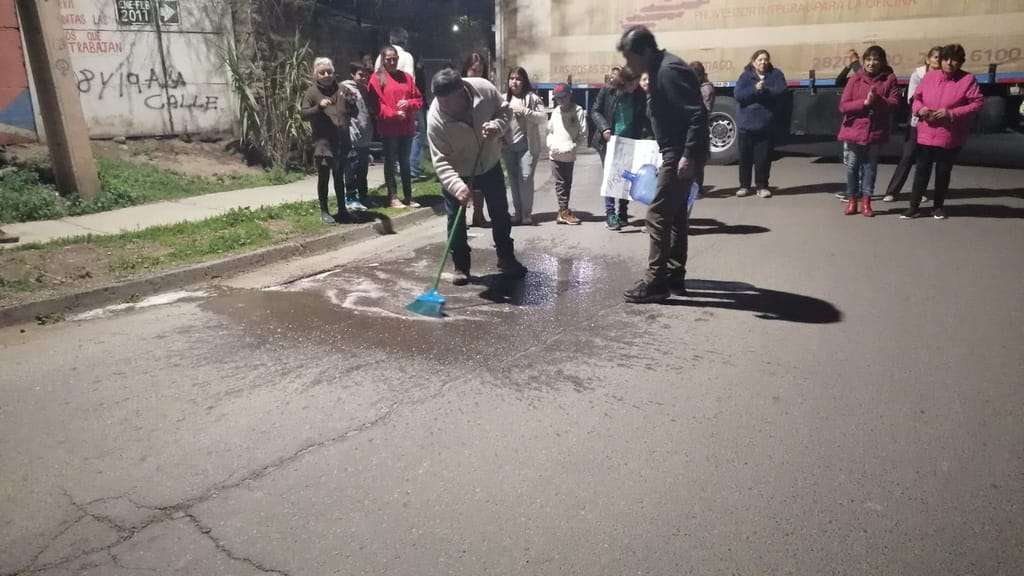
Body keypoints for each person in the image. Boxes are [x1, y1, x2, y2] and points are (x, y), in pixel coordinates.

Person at [617, 25, 708, 303]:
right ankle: (674, 276)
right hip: (675, 151)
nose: (628, 63)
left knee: (656, 215)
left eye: (630, 57)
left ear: (645, 51)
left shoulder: (668, 71)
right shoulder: (658, 70)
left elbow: (697, 115)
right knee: (676, 214)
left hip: (680, 154)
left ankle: (656, 281)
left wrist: (687, 156)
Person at [427, 68, 527, 285]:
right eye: (440, 101)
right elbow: (440, 160)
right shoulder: (436, 118)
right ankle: (461, 265)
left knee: (500, 213)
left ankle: (506, 258)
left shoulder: (484, 89)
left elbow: (505, 111)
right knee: (456, 220)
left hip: (489, 163)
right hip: (457, 171)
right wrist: (456, 186)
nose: (443, 107)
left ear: (461, 91)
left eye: (448, 102)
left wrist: (497, 127)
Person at [902, 44, 984, 220]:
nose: (949, 63)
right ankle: (913, 207)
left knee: (943, 172)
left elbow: (977, 103)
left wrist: (952, 113)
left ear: (961, 62)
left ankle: (938, 207)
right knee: (921, 171)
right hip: (926, 132)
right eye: (946, 59)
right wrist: (920, 109)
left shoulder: (968, 80)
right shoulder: (930, 76)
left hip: (949, 135)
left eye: (954, 60)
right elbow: (916, 98)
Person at [836, 45, 900, 217]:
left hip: (875, 129)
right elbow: (843, 106)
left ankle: (866, 202)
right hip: (854, 129)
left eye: (876, 59)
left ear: (882, 62)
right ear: (863, 61)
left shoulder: (890, 79)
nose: (872, 63)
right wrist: (864, 103)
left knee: (870, 167)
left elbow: (894, 103)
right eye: (868, 60)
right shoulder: (855, 79)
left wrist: (877, 100)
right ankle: (852, 200)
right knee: (852, 165)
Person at [590, 66, 647, 230]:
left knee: (627, 177)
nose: (634, 87)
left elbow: (644, 117)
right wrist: (604, 128)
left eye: (637, 83)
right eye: (632, 84)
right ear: (623, 82)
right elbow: (595, 111)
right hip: (609, 140)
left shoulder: (639, 94)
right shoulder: (609, 90)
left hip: (630, 140)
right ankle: (610, 214)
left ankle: (623, 211)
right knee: (611, 176)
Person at [300, 56, 356, 224]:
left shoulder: (342, 89)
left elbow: (354, 113)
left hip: (341, 141)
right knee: (324, 177)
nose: (326, 75)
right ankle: (324, 211)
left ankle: (342, 210)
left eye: (329, 72)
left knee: (339, 177)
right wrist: (319, 107)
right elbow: (304, 114)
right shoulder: (312, 92)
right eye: (322, 73)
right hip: (323, 143)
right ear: (316, 75)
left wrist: (352, 103)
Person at [883, 46, 942, 203]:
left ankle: (919, 192)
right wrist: (923, 110)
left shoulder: (945, 76)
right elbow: (912, 98)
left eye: (941, 58)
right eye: (935, 57)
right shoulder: (918, 75)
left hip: (934, 122)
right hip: (917, 120)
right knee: (908, 155)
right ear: (928, 59)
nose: (938, 61)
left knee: (925, 159)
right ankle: (892, 192)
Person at [369, 45, 424, 208]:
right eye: (389, 59)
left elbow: (419, 100)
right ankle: (393, 196)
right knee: (391, 161)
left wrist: (409, 103)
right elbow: (376, 105)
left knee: (405, 162)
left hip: (406, 127)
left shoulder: (406, 77)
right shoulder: (377, 79)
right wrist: (393, 114)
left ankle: (408, 196)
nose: (392, 62)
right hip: (389, 128)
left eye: (395, 59)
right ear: (383, 60)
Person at [734, 49, 787, 198]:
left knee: (763, 158)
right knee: (745, 158)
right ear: (753, 62)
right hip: (746, 124)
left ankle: (762, 186)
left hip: (765, 123)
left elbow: (782, 90)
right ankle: (744, 186)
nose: (763, 62)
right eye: (760, 60)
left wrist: (765, 90)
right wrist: (755, 89)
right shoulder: (745, 76)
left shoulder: (776, 75)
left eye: (765, 59)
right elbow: (738, 95)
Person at [502, 66, 546, 225]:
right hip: (507, 146)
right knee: (513, 180)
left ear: (524, 81)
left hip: (527, 146)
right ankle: (518, 212)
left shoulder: (532, 98)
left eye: (518, 79)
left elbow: (542, 117)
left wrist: (525, 111)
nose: (514, 82)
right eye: (512, 78)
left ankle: (527, 213)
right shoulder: (503, 99)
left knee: (525, 178)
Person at [546, 83, 588, 226]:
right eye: (558, 98)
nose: (561, 101)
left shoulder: (578, 111)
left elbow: (583, 133)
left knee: (567, 183)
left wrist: (573, 145)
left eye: (563, 97)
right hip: (555, 153)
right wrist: (551, 145)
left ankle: (563, 211)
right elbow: (549, 131)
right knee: (560, 183)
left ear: (570, 95)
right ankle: (563, 211)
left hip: (569, 153)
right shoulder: (555, 112)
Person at [462, 52, 492, 226]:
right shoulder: (460, 87)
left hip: (481, 138)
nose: (477, 75)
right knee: (464, 180)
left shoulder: (487, 88)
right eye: (474, 70)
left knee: (479, 180)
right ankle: (461, 217)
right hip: (464, 139)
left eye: (481, 71)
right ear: (467, 69)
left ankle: (478, 214)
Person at [342, 62, 373, 210]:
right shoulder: (345, 89)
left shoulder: (365, 90)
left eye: (366, 75)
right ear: (352, 75)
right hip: (353, 135)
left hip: (365, 136)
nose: (364, 78)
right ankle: (350, 197)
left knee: (363, 168)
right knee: (351, 167)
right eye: (360, 75)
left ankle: (363, 195)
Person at [690, 60, 715, 198]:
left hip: (700, 127)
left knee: (698, 160)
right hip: (690, 127)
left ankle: (697, 188)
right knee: (691, 159)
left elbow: (705, 109)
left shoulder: (706, 88)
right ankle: (694, 187)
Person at [409, 56, 429, 180]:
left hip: (418, 103)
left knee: (417, 134)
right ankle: (413, 167)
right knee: (417, 134)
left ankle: (413, 166)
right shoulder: (414, 71)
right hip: (416, 103)